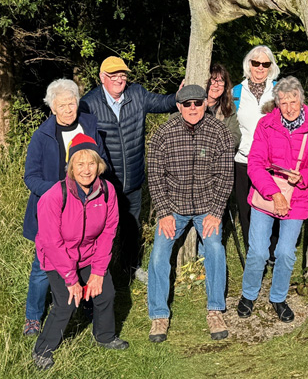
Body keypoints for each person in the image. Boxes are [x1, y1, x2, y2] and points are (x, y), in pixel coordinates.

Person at [146, 84, 235, 343]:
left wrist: (216, 212)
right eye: (188, 104)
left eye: (198, 103)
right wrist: (164, 212)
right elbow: (155, 176)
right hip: (174, 207)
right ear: (179, 106)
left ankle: (215, 310)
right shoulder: (163, 133)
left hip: (208, 206)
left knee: (216, 248)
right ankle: (159, 315)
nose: (193, 108)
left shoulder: (219, 131)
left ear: (205, 104)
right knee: (160, 252)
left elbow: (225, 175)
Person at [31, 134, 126, 370]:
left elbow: (108, 232)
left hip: (89, 254)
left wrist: (98, 272)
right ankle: (42, 350)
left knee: (106, 292)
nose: (86, 170)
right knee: (66, 303)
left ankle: (104, 336)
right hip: (58, 257)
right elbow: (52, 242)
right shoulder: (54, 196)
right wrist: (72, 280)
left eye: (91, 163)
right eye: (79, 163)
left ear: (99, 165)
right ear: (71, 166)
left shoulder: (107, 191)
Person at [23, 79, 109, 336]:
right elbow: (31, 176)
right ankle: (33, 317)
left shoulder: (90, 125)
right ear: (52, 108)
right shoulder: (42, 135)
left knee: (85, 259)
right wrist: (59, 193)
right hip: (52, 211)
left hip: (87, 209)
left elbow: (101, 161)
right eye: (63, 105)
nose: (69, 109)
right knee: (42, 266)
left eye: (72, 103)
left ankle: (87, 305)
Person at [237, 77, 308, 322]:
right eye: (283, 102)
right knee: (258, 251)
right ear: (277, 104)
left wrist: (304, 177)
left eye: (293, 100)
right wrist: (274, 193)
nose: (289, 107)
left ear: (301, 100)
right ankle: (249, 294)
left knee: (286, 252)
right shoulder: (266, 125)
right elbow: (254, 164)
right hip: (267, 193)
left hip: (297, 196)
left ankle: (278, 297)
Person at [80, 56, 177, 282]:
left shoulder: (137, 94)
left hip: (133, 179)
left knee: (131, 228)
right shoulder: (89, 104)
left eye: (122, 75)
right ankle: (98, 274)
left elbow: (163, 103)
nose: (119, 80)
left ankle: (130, 269)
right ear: (102, 78)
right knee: (100, 230)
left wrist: (179, 96)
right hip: (104, 183)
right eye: (113, 75)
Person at [230, 46, 279, 251]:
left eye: (265, 64)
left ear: (271, 67)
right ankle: (253, 250)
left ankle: (273, 249)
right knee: (246, 207)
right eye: (255, 63)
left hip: (271, 162)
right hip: (244, 160)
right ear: (248, 64)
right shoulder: (236, 92)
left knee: (272, 205)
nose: (260, 67)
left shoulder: (279, 90)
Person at [207, 63, 241, 152]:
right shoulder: (193, 105)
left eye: (221, 81)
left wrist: (219, 146)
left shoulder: (229, 107)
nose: (216, 85)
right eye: (213, 80)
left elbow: (235, 135)